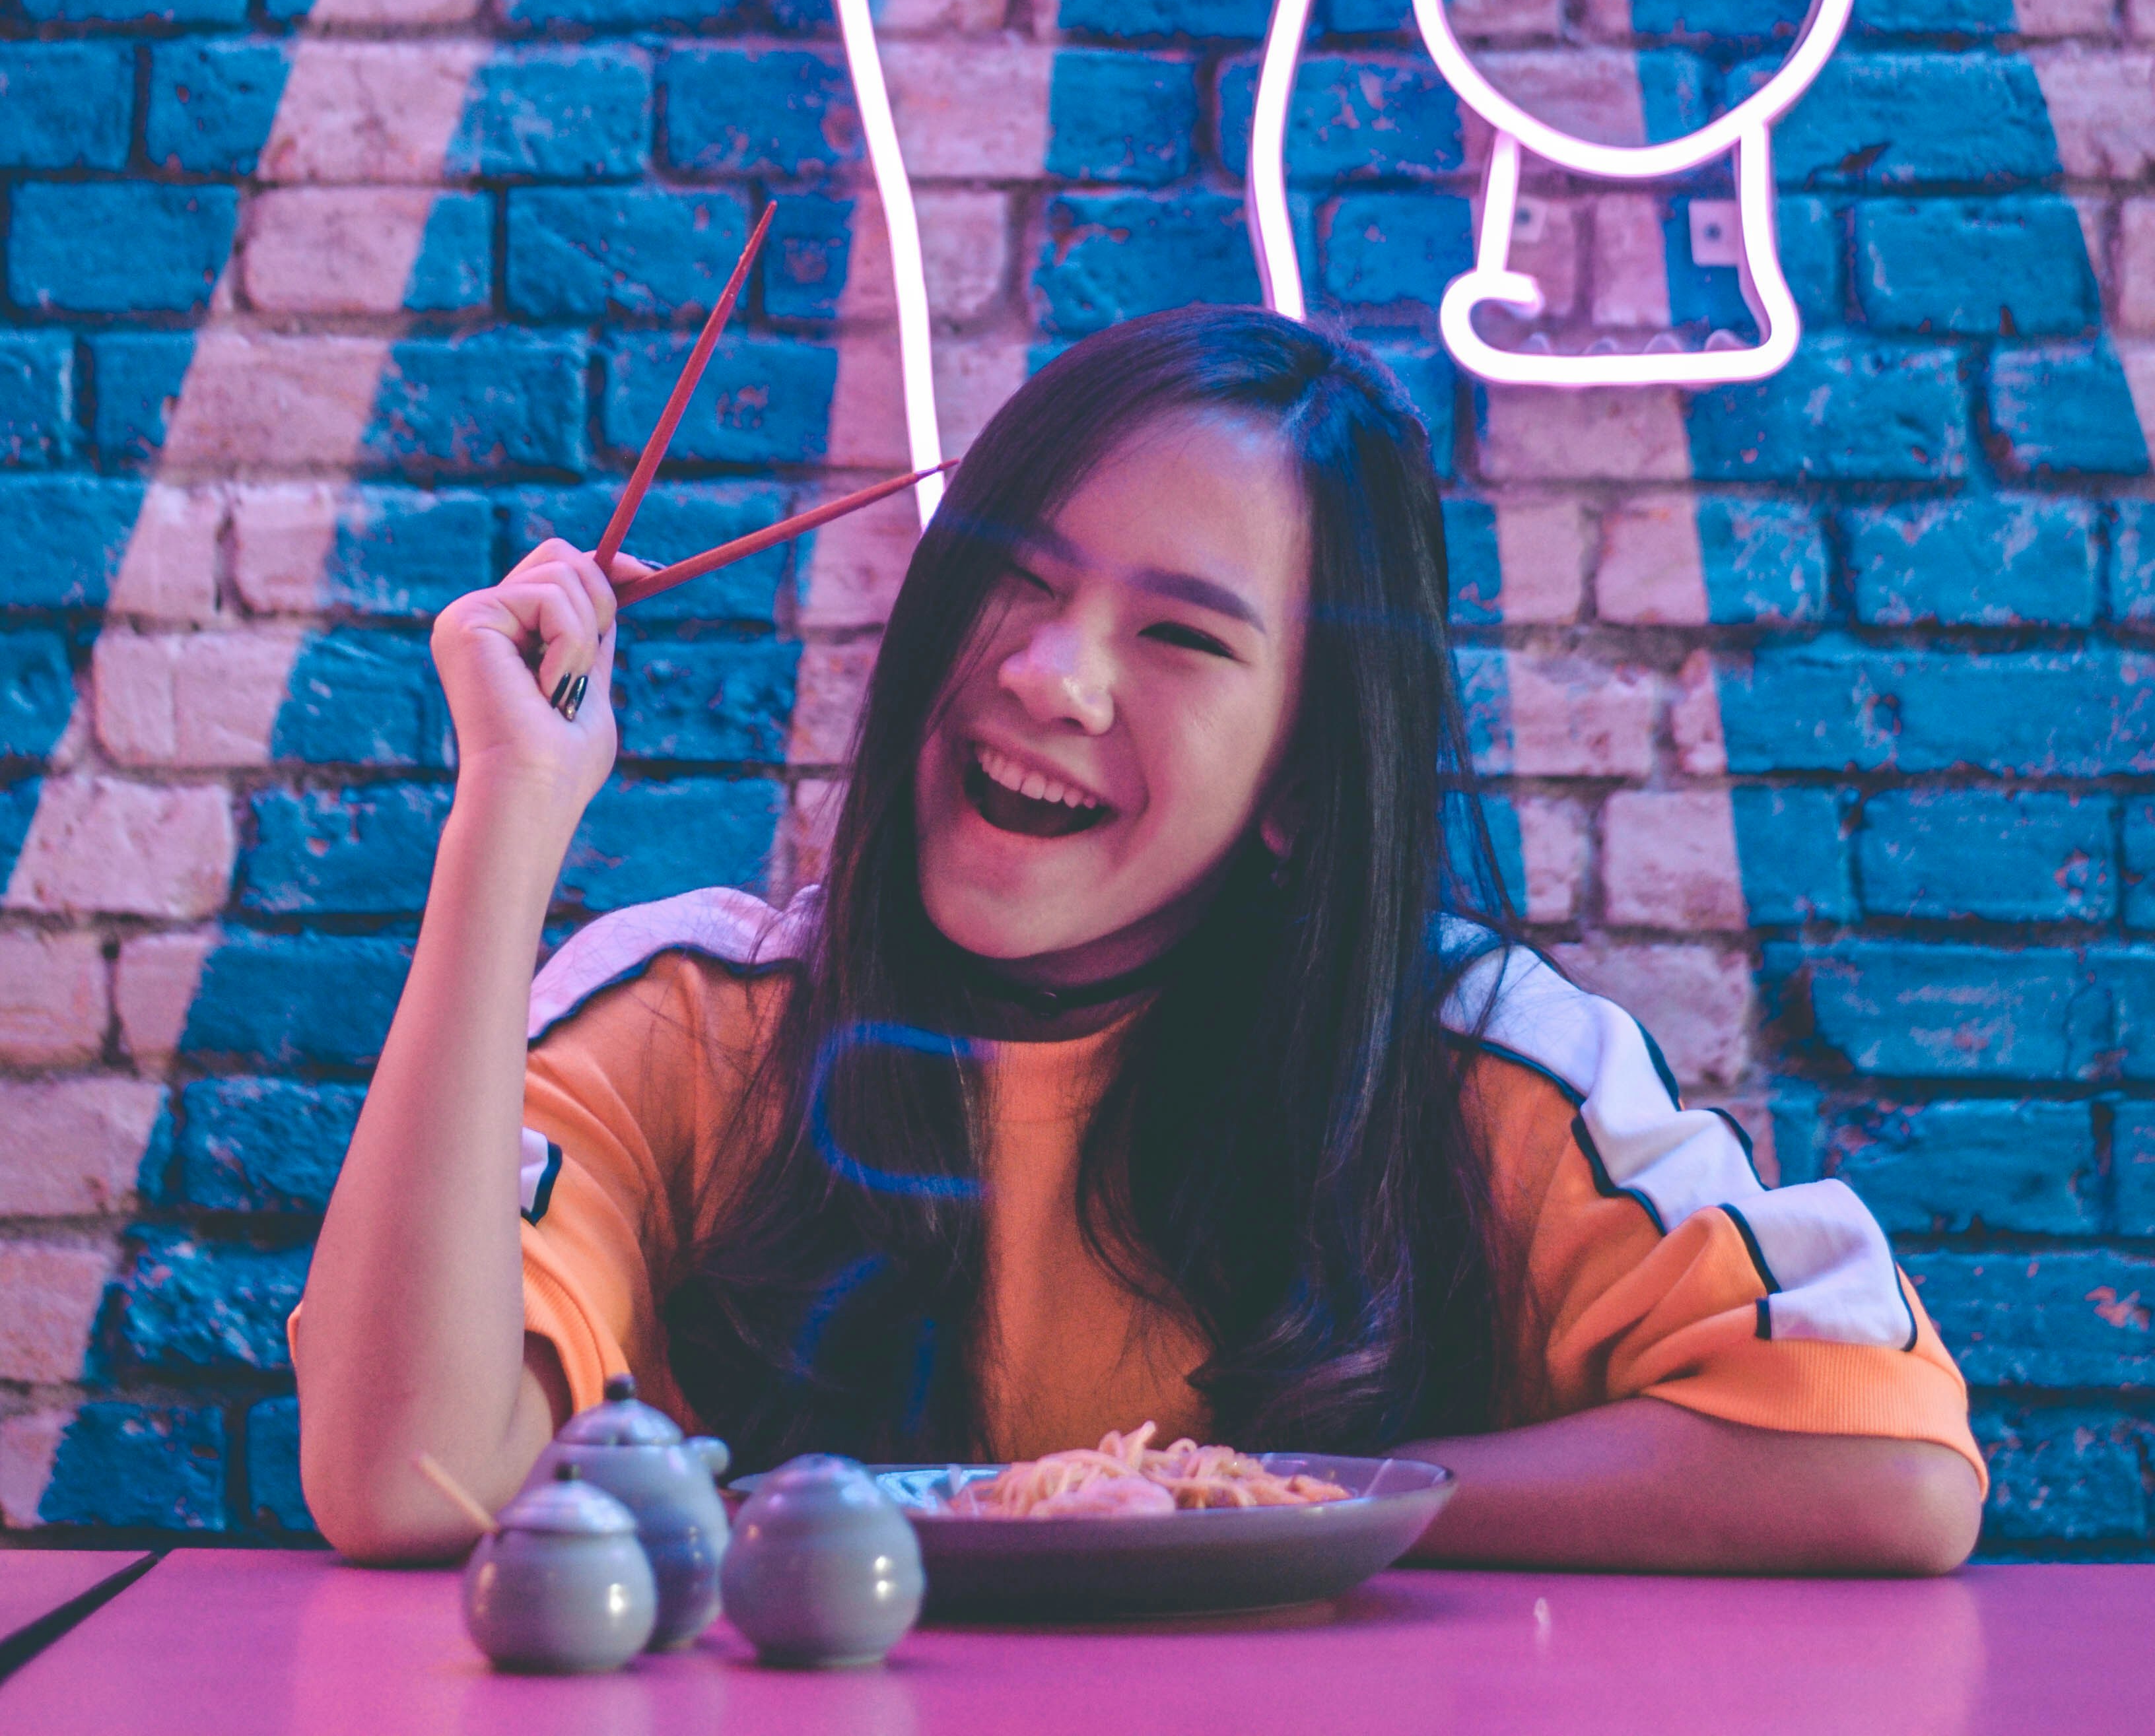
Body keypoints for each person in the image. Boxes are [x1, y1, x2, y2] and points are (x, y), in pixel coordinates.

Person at [294, 307, 1984, 1573]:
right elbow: (404, 1480)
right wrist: (508, 815)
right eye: (1020, 581)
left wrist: (1262, 1504)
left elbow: (1888, 1460)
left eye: (1180, 635)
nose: (1053, 673)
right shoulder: (687, 1020)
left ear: (1299, 782)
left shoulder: (1475, 1066)